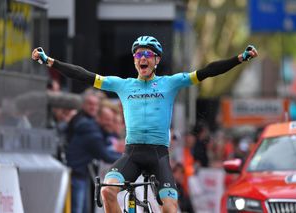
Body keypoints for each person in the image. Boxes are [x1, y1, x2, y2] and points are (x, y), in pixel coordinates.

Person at [31, 36, 258, 213]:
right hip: (132, 154)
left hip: (159, 156)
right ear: (134, 60)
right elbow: (83, 75)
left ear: (157, 60)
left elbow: (207, 71)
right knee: (108, 192)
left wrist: (240, 58)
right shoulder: (122, 85)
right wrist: (50, 61)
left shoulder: (170, 83)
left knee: (170, 208)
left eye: (148, 54)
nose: (143, 58)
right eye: (138, 54)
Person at [65, 89, 121, 213]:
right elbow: (105, 154)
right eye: (107, 119)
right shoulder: (90, 128)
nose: (110, 123)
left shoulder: (92, 126)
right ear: (99, 117)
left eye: (95, 105)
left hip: (81, 174)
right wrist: (127, 157)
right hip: (76, 174)